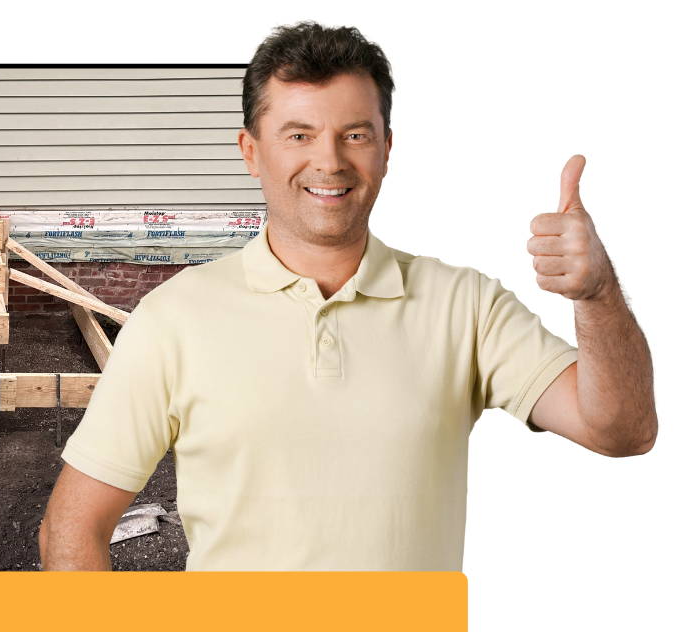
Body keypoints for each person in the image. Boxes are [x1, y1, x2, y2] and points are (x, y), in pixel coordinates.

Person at [38, 21, 658, 571]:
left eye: (355, 135)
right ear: (251, 152)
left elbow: (623, 430)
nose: (329, 161)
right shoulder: (174, 318)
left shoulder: (465, 306)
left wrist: (597, 294)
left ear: (387, 149)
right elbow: (72, 529)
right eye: (299, 135)